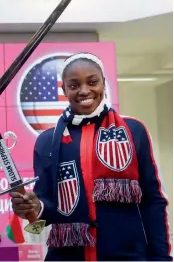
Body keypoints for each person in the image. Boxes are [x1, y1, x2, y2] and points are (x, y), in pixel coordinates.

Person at [10, 52, 172, 261]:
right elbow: (46, 203)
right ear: (64, 89)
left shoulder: (134, 130)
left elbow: (153, 200)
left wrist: (161, 257)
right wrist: (34, 207)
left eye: (92, 82)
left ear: (103, 83)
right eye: (74, 85)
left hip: (128, 255)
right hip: (67, 256)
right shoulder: (47, 140)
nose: (84, 90)